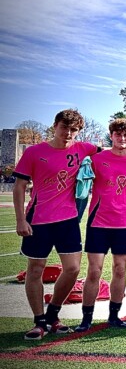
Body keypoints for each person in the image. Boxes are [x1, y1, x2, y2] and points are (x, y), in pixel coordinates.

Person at [13, 109, 99, 339]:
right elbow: (19, 186)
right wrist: (21, 219)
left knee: (72, 269)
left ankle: (53, 314)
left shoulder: (84, 149)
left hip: (68, 219)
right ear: (55, 126)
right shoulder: (34, 152)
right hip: (38, 219)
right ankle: (38, 321)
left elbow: (115, 152)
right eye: (64, 128)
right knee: (36, 270)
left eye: (73, 130)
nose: (68, 133)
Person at [77, 118, 126, 331]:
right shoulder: (97, 158)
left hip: (125, 222)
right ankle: (86, 318)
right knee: (94, 271)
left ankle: (114, 316)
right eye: (118, 134)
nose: (122, 138)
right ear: (111, 136)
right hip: (98, 221)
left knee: (120, 269)